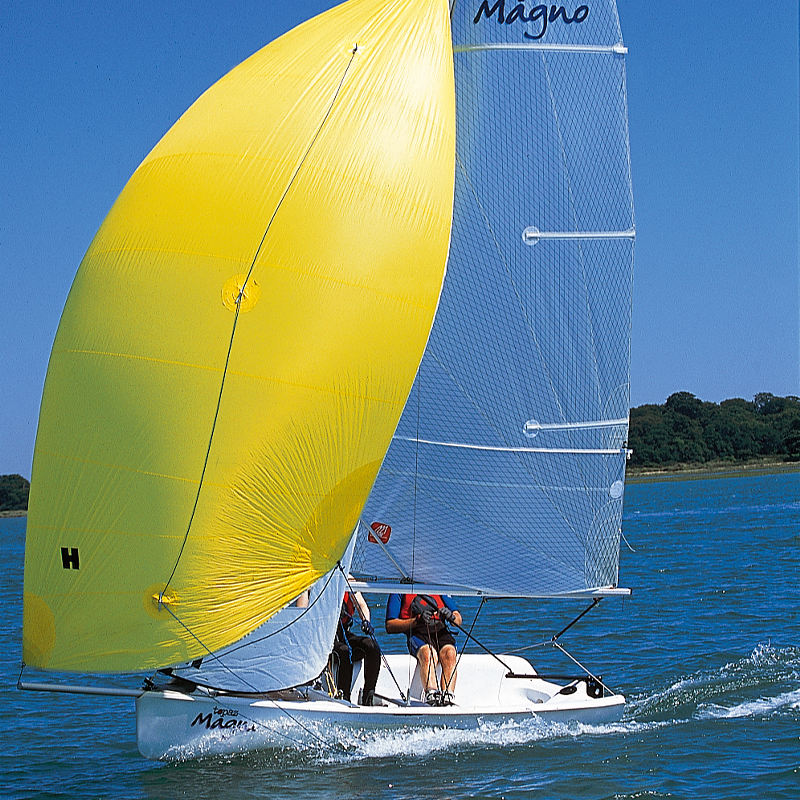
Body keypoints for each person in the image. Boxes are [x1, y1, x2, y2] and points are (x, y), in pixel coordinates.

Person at [385, 593, 462, 706]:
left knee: (450, 653)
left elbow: (458, 619)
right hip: (417, 631)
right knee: (428, 653)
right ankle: (432, 695)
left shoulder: (439, 587)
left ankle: (448, 696)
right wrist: (417, 621)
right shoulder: (399, 591)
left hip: (440, 629)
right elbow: (390, 625)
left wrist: (451, 617)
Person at [332, 588, 381, 705]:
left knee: (371, 646)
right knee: (344, 651)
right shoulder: (315, 582)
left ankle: (368, 697)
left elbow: (362, 605)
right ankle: (344, 699)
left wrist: (366, 621)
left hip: (343, 633)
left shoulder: (348, 581)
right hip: (323, 639)